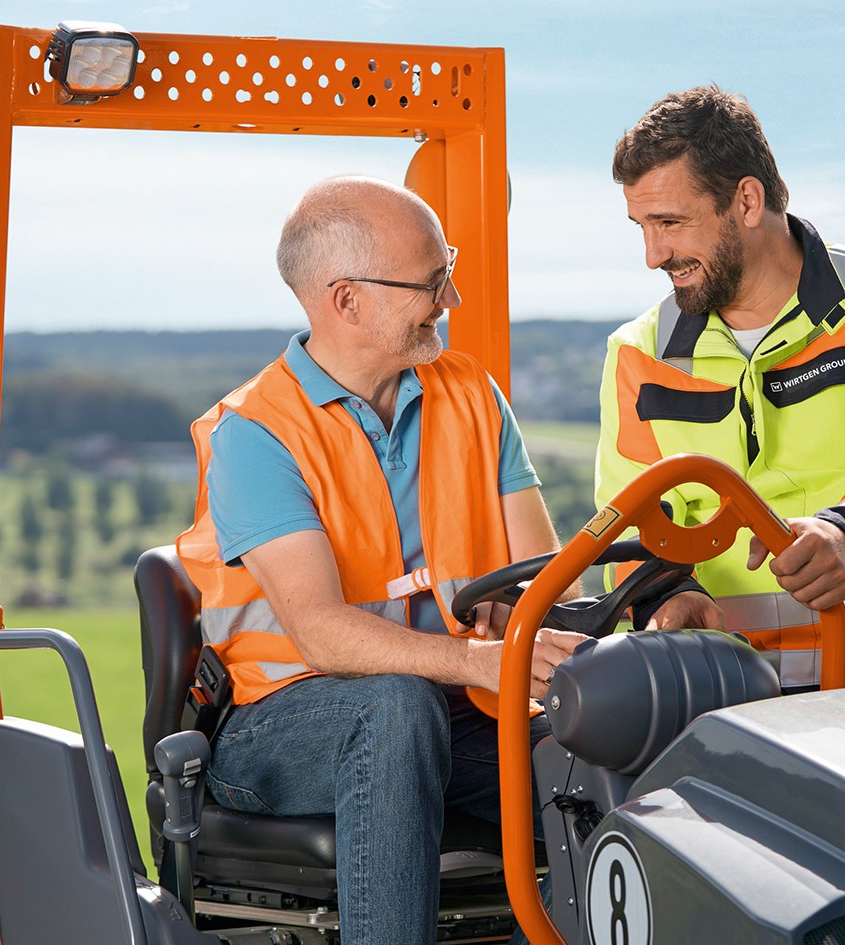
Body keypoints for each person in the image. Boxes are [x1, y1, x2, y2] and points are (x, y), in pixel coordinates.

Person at [176, 176, 585, 944]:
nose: (451, 298)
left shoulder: (470, 393)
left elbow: (545, 571)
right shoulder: (255, 434)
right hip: (283, 726)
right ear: (346, 300)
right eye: (431, 282)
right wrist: (475, 660)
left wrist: (529, 609)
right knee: (395, 706)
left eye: (448, 270)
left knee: (608, 733)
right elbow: (325, 637)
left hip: (457, 710)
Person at [595, 85, 845, 690]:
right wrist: (664, 597)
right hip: (720, 695)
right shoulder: (636, 354)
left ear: (746, 200)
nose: (652, 255)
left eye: (670, 222)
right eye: (641, 226)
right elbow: (628, 521)